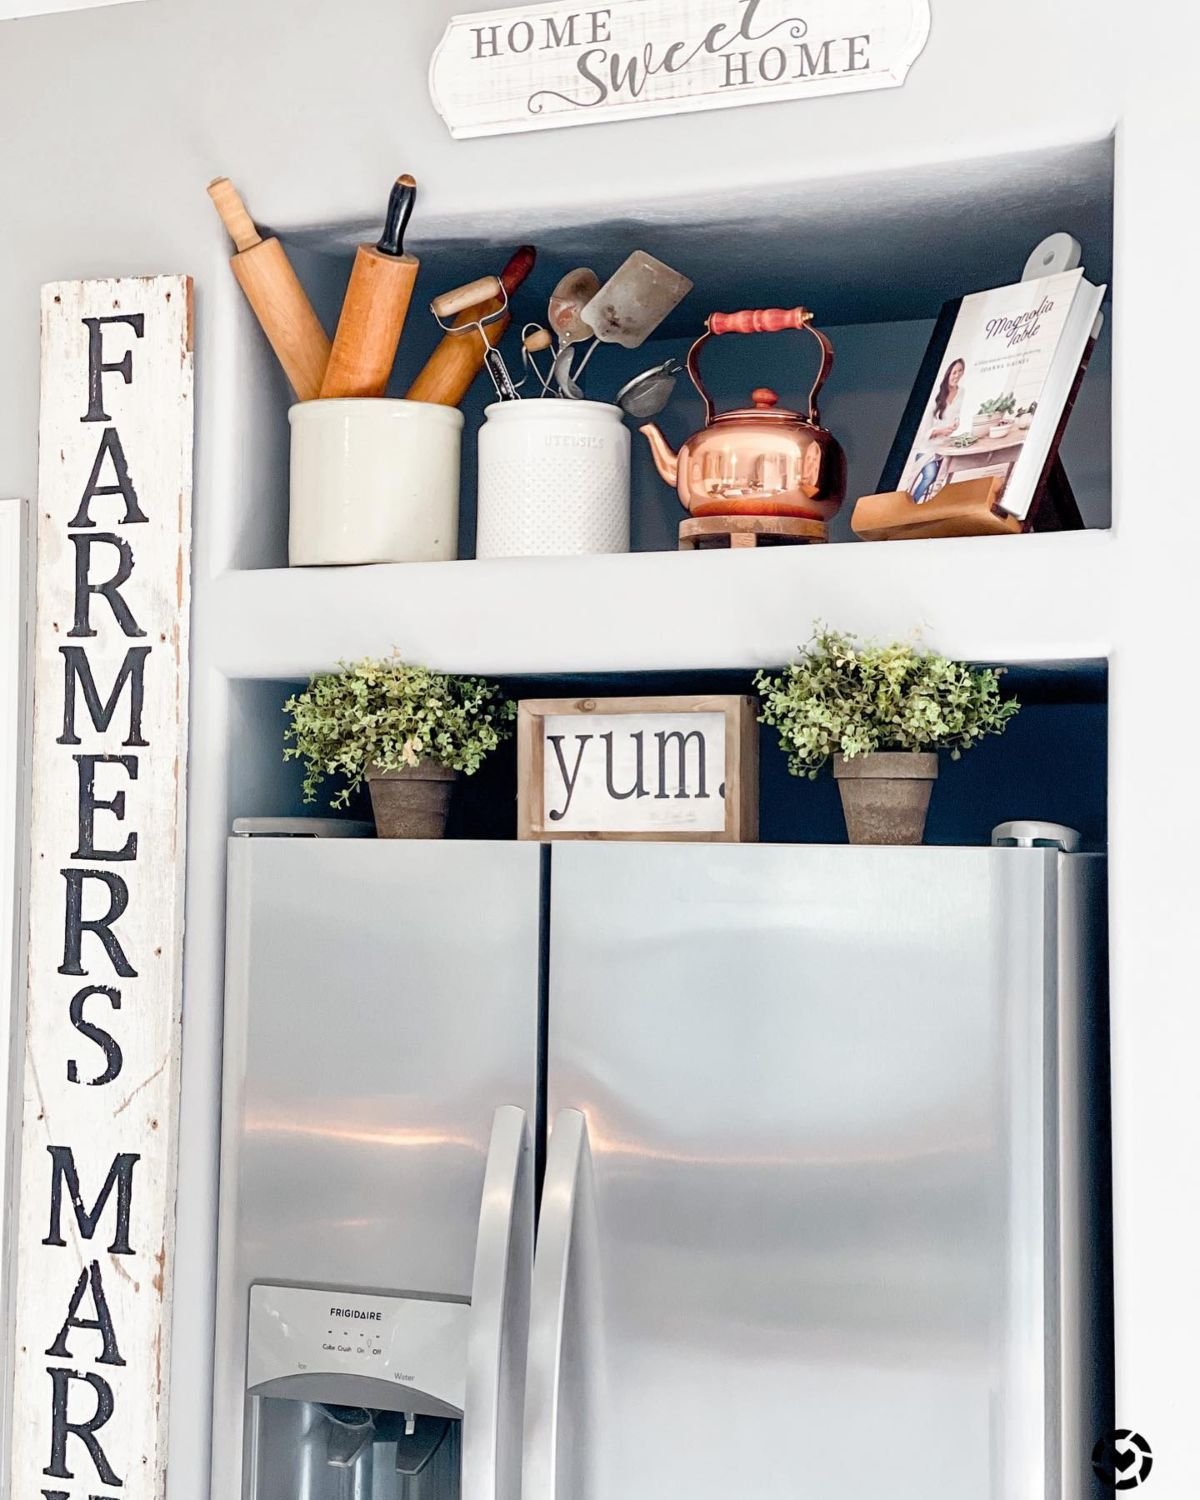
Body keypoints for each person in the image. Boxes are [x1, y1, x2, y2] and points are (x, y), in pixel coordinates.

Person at [902, 357, 967, 501]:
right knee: (930, 476)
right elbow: (924, 432)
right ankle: (912, 504)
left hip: (944, 447)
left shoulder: (961, 392)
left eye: (960, 372)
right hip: (928, 449)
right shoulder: (935, 397)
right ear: (948, 374)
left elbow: (956, 414)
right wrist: (941, 431)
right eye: (954, 372)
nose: (957, 376)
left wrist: (956, 423)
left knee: (944, 476)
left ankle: (930, 506)